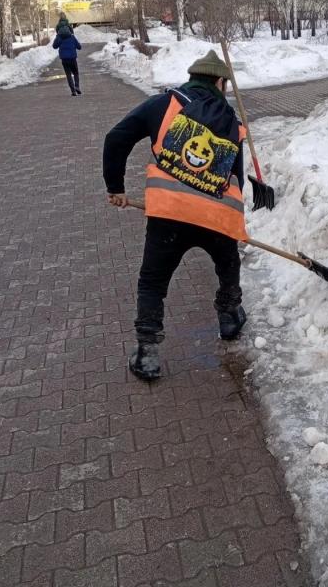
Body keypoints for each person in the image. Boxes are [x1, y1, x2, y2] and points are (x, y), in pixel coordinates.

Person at [103, 49, 247, 381]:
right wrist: (233, 223)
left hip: (169, 214)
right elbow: (235, 179)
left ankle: (148, 354)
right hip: (215, 216)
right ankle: (229, 317)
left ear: (193, 78)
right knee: (227, 264)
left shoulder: (163, 105)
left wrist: (116, 187)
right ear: (221, 82)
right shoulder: (231, 123)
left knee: (153, 281)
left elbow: (116, 138)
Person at [52, 27, 82, 96]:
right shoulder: (72, 37)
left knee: (68, 75)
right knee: (75, 73)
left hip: (64, 60)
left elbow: (54, 46)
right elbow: (79, 47)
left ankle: (73, 91)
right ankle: (77, 86)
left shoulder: (59, 37)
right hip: (72, 58)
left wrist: (57, 37)